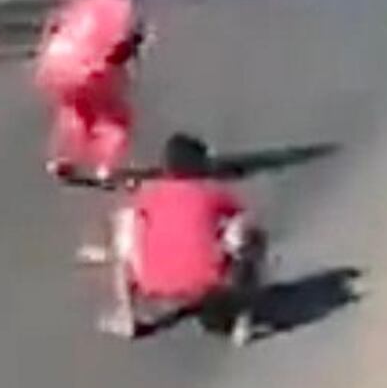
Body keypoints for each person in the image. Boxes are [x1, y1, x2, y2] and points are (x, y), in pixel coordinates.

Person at [96, 133, 266, 345]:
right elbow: (245, 221)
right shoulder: (214, 193)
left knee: (126, 226)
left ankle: (126, 317)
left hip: (152, 280)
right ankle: (243, 322)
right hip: (210, 279)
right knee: (248, 233)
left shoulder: (148, 194)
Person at [34, 0, 143, 183]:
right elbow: (122, 49)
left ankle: (62, 159)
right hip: (97, 74)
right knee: (114, 119)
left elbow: (52, 32)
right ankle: (105, 167)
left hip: (61, 72)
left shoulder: (73, 13)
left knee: (74, 114)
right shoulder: (117, 15)